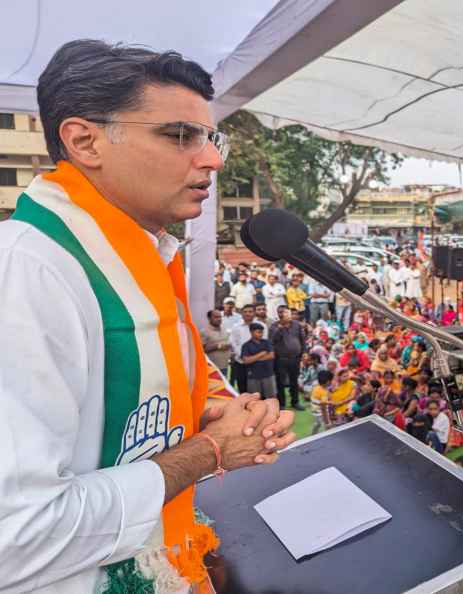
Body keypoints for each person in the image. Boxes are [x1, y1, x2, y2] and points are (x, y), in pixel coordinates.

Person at [0, 40, 295, 593]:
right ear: (85, 140)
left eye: (212, 139)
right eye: (180, 136)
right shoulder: (27, 273)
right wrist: (208, 451)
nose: (211, 159)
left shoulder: (145, 259)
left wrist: (208, 412)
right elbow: (16, 538)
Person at [269, 307, 306, 410]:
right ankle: (281, 404)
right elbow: (272, 340)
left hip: (295, 358)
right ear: (278, 314)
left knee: (294, 381)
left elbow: (302, 339)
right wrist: (280, 328)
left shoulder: (296, 325)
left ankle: (295, 402)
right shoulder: (274, 326)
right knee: (280, 382)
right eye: (280, 312)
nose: (283, 314)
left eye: (285, 312)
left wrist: (304, 352)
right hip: (281, 359)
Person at [241, 323, 277, 400]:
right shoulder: (246, 345)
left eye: (262, 332)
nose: (261, 334)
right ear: (251, 332)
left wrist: (253, 359)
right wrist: (261, 354)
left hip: (268, 374)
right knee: (255, 399)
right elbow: (246, 361)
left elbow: (271, 355)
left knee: (271, 398)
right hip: (253, 376)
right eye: (258, 332)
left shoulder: (267, 342)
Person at [201, 308, 232, 377]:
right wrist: (217, 346)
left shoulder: (224, 329)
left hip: (225, 366)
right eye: (216, 317)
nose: (219, 319)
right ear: (209, 318)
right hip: (212, 367)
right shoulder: (204, 332)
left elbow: (227, 343)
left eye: (220, 317)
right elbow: (201, 350)